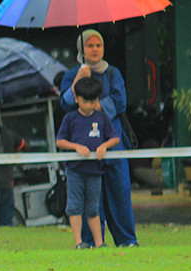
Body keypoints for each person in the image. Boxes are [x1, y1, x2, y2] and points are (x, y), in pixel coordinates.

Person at [59, 29, 138, 247]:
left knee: (120, 196)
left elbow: (120, 102)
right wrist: (79, 79)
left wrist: (94, 103)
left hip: (113, 148)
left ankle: (127, 241)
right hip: (85, 151)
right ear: (81, 49)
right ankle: (89, 242)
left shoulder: (113, 73)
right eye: (90, 46)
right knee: (89, 199)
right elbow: (66, 103)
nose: (95, 50)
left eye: (98, 45)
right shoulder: (72, 74)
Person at [56, 77, 120, 249]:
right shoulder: (70, 118)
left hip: (95, 170)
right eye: (85, 101)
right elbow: (60, 141)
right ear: (76, 99)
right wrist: (76, 147)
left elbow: (114, 138)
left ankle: (100, 243)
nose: (89, 105)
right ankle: (78, 242)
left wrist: (104, 146)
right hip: (75, 170)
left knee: (93, 208)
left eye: (93, 101)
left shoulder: (102, 118)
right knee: (75, 206)